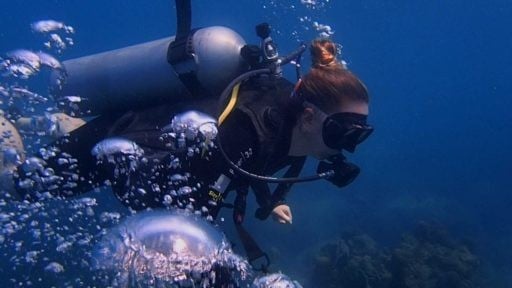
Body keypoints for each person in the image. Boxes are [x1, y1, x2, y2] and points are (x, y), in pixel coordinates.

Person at [13, 38, 372, 227]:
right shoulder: (247, 132)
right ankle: (14, 126)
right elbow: (230, 165)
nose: (349, 148)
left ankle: (60, 124)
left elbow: (255, 162)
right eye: (345, 133)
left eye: (360, 136)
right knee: (19, 185)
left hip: (138, 133)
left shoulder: (291, 128)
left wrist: (270, 200)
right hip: (119, 137)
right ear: (308, 117)